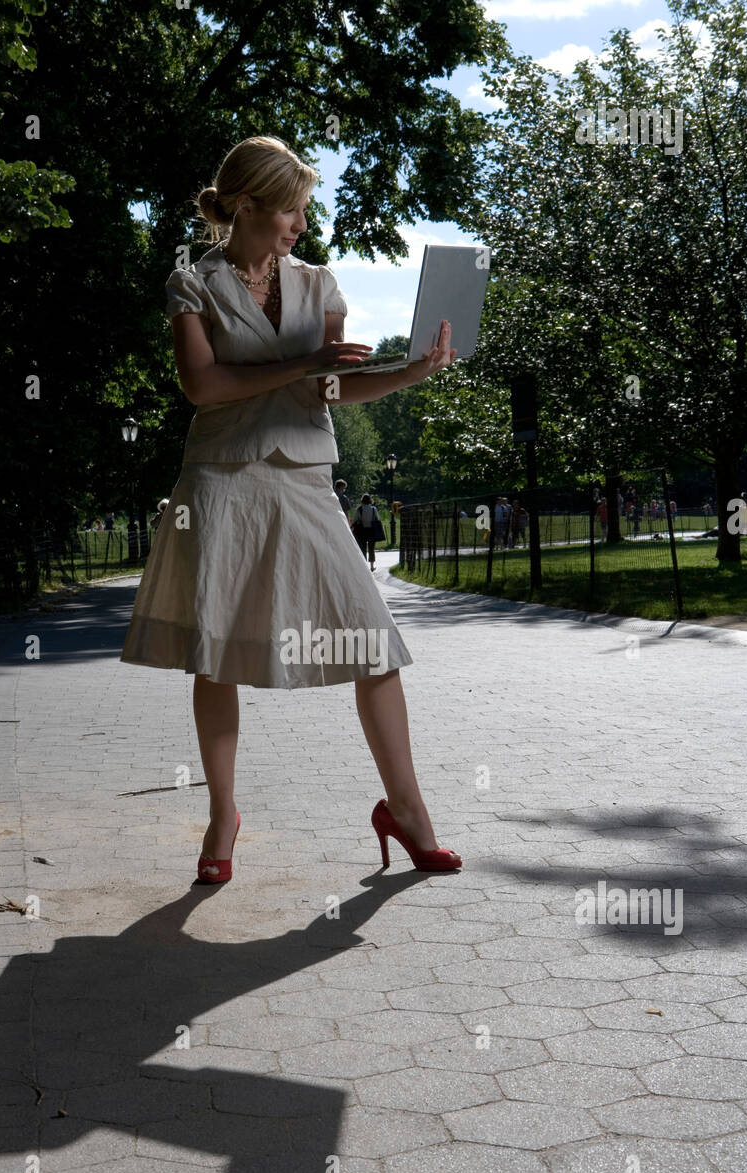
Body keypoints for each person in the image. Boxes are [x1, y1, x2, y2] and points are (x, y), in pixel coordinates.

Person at [120, 135, 462, 880]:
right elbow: (203, 388)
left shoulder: (320, 284)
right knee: (216, 658)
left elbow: (327, 391)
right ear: (247, 206)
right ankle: (222, 817)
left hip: (306, 478)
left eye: (304, 211)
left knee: (373, 646)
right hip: (221, 480)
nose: (301, 226)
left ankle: (406, 812)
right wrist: (304, 363)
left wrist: (410, 373)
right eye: (291, 211)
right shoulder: (193, 285)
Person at [352, 493, 381, 570]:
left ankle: (364, 567)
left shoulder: (359, 509)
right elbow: (377, 519)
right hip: (371, 531)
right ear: (370, 500)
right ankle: (371, 566)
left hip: (362, 531)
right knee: (371, 549)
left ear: (362, 500)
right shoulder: (373, 509)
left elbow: (355, 520)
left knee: (363, 549)